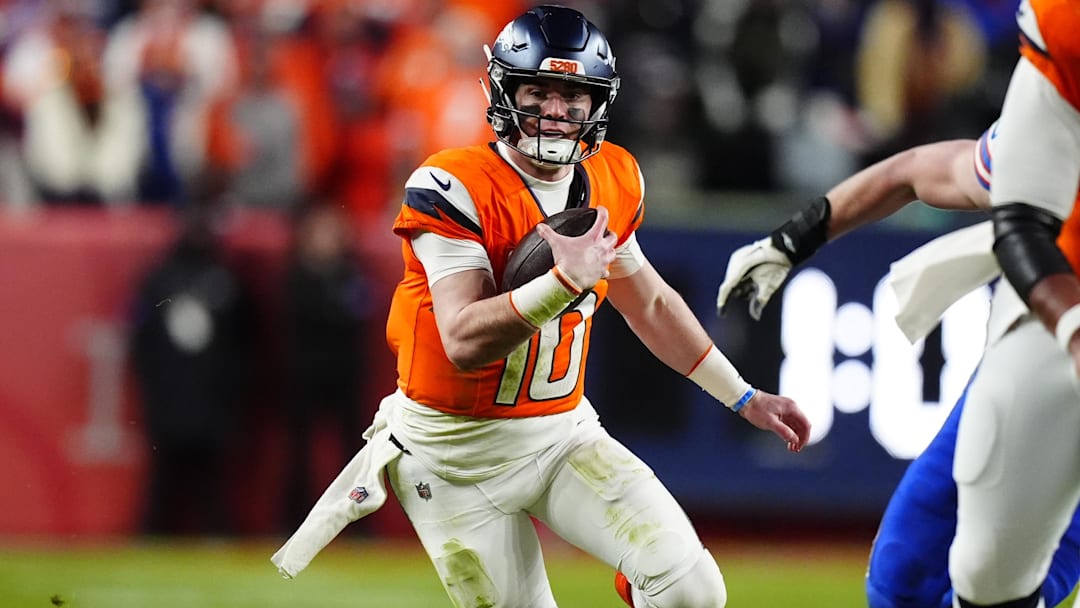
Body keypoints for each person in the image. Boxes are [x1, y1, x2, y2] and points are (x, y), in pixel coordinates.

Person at [271, 6, 811, 608]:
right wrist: (560, 282)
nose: (555, 112)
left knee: (693, 590)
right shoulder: (453, 183)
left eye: (573, 96)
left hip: (560, 434)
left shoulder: (612, 177)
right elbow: (462, 337)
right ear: (505, 90)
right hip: (452, 454)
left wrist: (743, 395)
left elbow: (651, 304)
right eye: (538, 92)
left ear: (596, 103)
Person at [720, 1, 1080, 604]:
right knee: (907, 573)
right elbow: (918, 171)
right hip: (1049, 338)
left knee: (1009, 576)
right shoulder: (1053, 119)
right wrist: (795, 237)